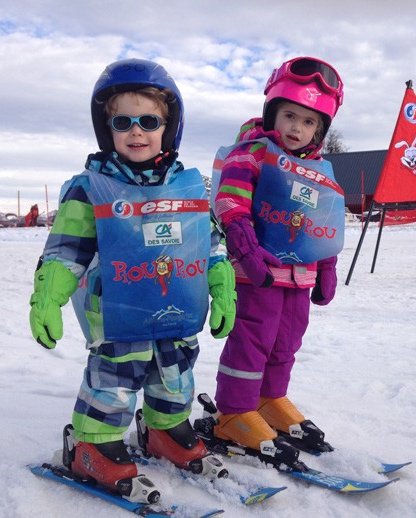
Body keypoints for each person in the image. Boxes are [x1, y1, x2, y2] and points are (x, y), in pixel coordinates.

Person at [28, 58, 236, 501]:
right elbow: (67, 249)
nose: (136, 131)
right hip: (118, 311)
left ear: (169, 126)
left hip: (178, 303)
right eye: (123, 122)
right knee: (114, 381)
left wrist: (221, 286)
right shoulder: (92, 186)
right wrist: (48, 297)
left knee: (175, 373)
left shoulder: (188, 186)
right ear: (108, 129)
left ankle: (166, 430)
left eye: (148, 121)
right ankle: (93, 445)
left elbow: (210, 242)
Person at [209, 57, 346, 465]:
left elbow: (324, 224)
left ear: (319, 130)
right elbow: (231, 199)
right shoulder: (253, 152)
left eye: (308, 122)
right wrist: (243, 243)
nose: (296, 128)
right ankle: (234, 411)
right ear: (273, 112)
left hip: (299, 274)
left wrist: (326, 265)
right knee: (254, 338)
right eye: (289, 115)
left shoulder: (321, 170)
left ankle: (269, 399)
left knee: (287, 339)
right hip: (258, 271)